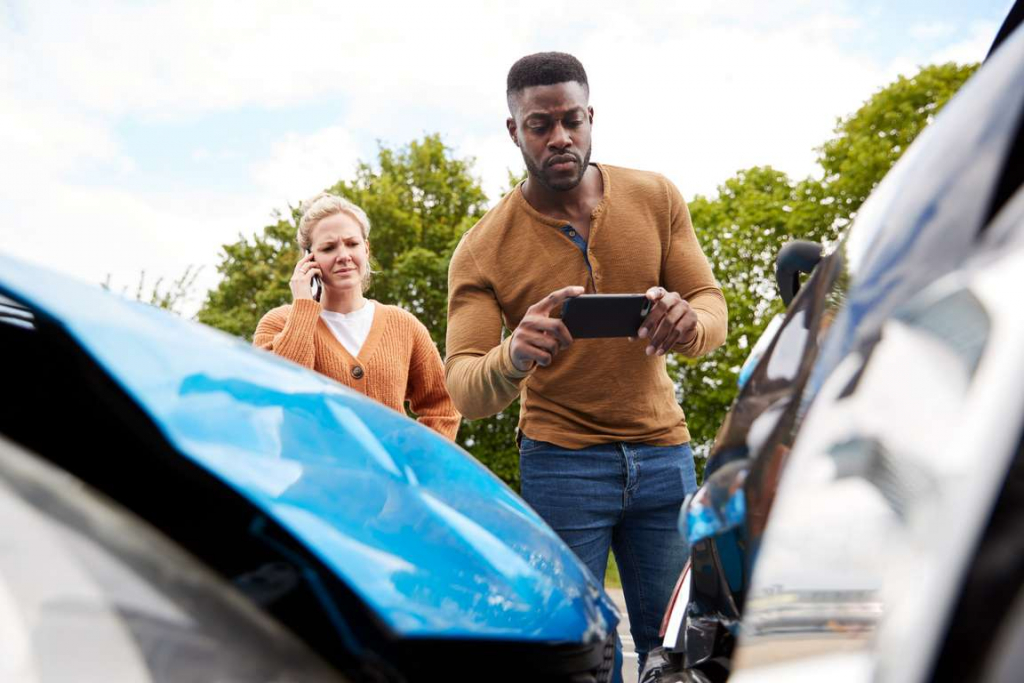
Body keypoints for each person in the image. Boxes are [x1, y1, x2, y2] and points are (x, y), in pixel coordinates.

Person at [444, 52, 727, 672]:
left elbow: (710, 306)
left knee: (678, 653)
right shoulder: (482, 248)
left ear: (591, 116)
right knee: (577, 661)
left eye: (572, 119)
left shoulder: (656, 196)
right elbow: (464, 387)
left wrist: (689, 324)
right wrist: (514, 354)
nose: (560, 137)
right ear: (514, 131)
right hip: (562, 467)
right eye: (540, 125)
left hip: (663, 456)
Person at [254, 192, 460, 441]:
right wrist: (303, 306)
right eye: (329, 248)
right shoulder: (278, 323)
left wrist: (418, 462)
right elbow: (282, 394)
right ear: (309, 258)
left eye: (352, 243)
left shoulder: (403, 325)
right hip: (314, 478)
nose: (343, 255)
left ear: (366, 248)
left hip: (389, 480)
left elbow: (443, 406)